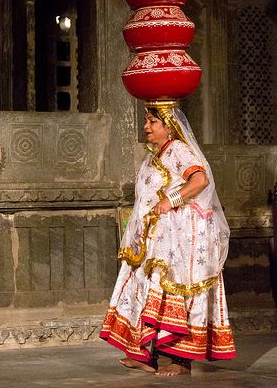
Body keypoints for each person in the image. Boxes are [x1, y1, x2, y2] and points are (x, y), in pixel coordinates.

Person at [100, 102, 236, 376]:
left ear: (169, 127)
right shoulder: (155, 155)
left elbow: (200, 180)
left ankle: (181, 361)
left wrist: (171, 200)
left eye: (153, 122)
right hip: (159, 236)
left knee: (175, 290)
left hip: (180, 239)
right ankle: (146, 354)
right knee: (148, 288)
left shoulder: (178, 150)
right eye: (146, 121)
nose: (146, 126)